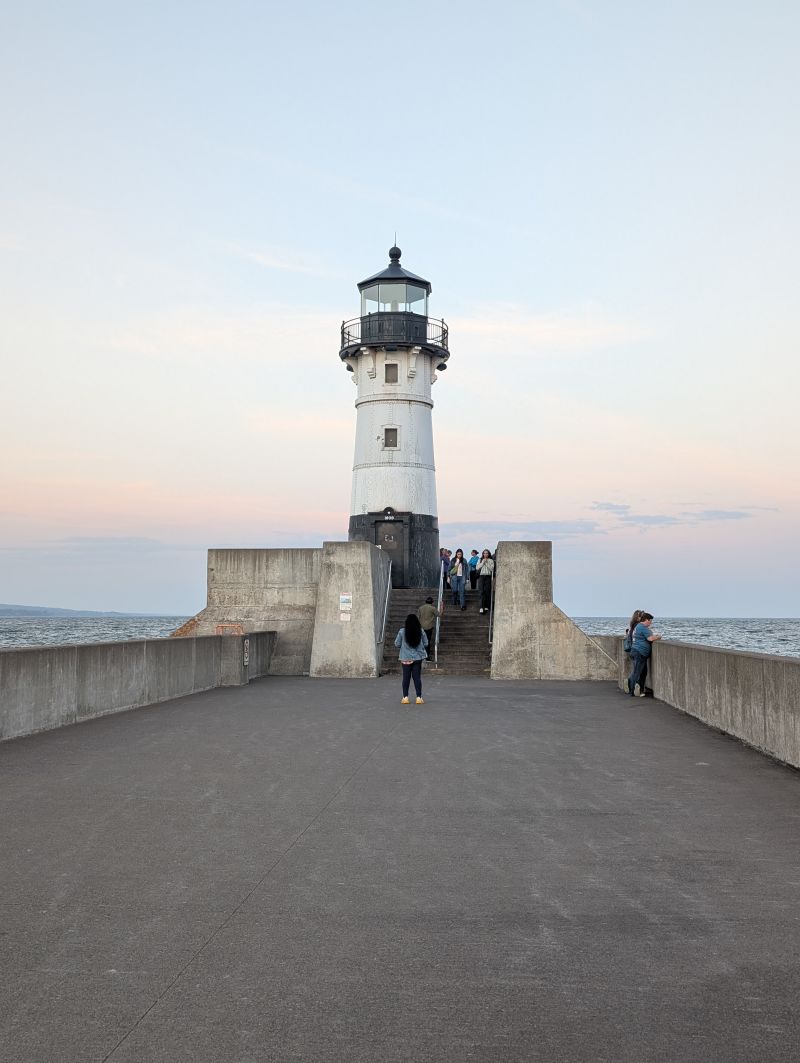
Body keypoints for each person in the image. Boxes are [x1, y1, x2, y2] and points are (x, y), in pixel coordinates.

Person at [394, 613, 428, 704]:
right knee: (417, 678)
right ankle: (419, 698)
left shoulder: (402, 631)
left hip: (405, 658)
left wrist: (404, 647)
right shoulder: (421, 631)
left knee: (406, 678)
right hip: (417, 658)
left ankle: (405, 697)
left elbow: (397, 644)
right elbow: (426, 643)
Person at [627, 612, 662, 697]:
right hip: (640, 652)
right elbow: (650, 638)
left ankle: (638, 689)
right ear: (646, 620)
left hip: (636, 651)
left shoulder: (638, 626)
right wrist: (658, 636)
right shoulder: (643, 627)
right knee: (637, 672)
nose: (651, 623)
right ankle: (631, 690)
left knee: (641, 672)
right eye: (650, 621)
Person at [476, 549, 495, 614]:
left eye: (487, 553)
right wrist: (482, 562)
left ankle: (487, 606)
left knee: (487, 591)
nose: (485, 554)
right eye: (484, 553)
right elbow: (477, 568)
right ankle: (481, 607)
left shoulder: (491, 560)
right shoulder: (480, 560)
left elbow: (491, 569)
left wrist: (486, 563)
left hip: (488, 576)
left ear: (488, 554)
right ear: (483, 554)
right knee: (481, 591)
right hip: (481, 576)